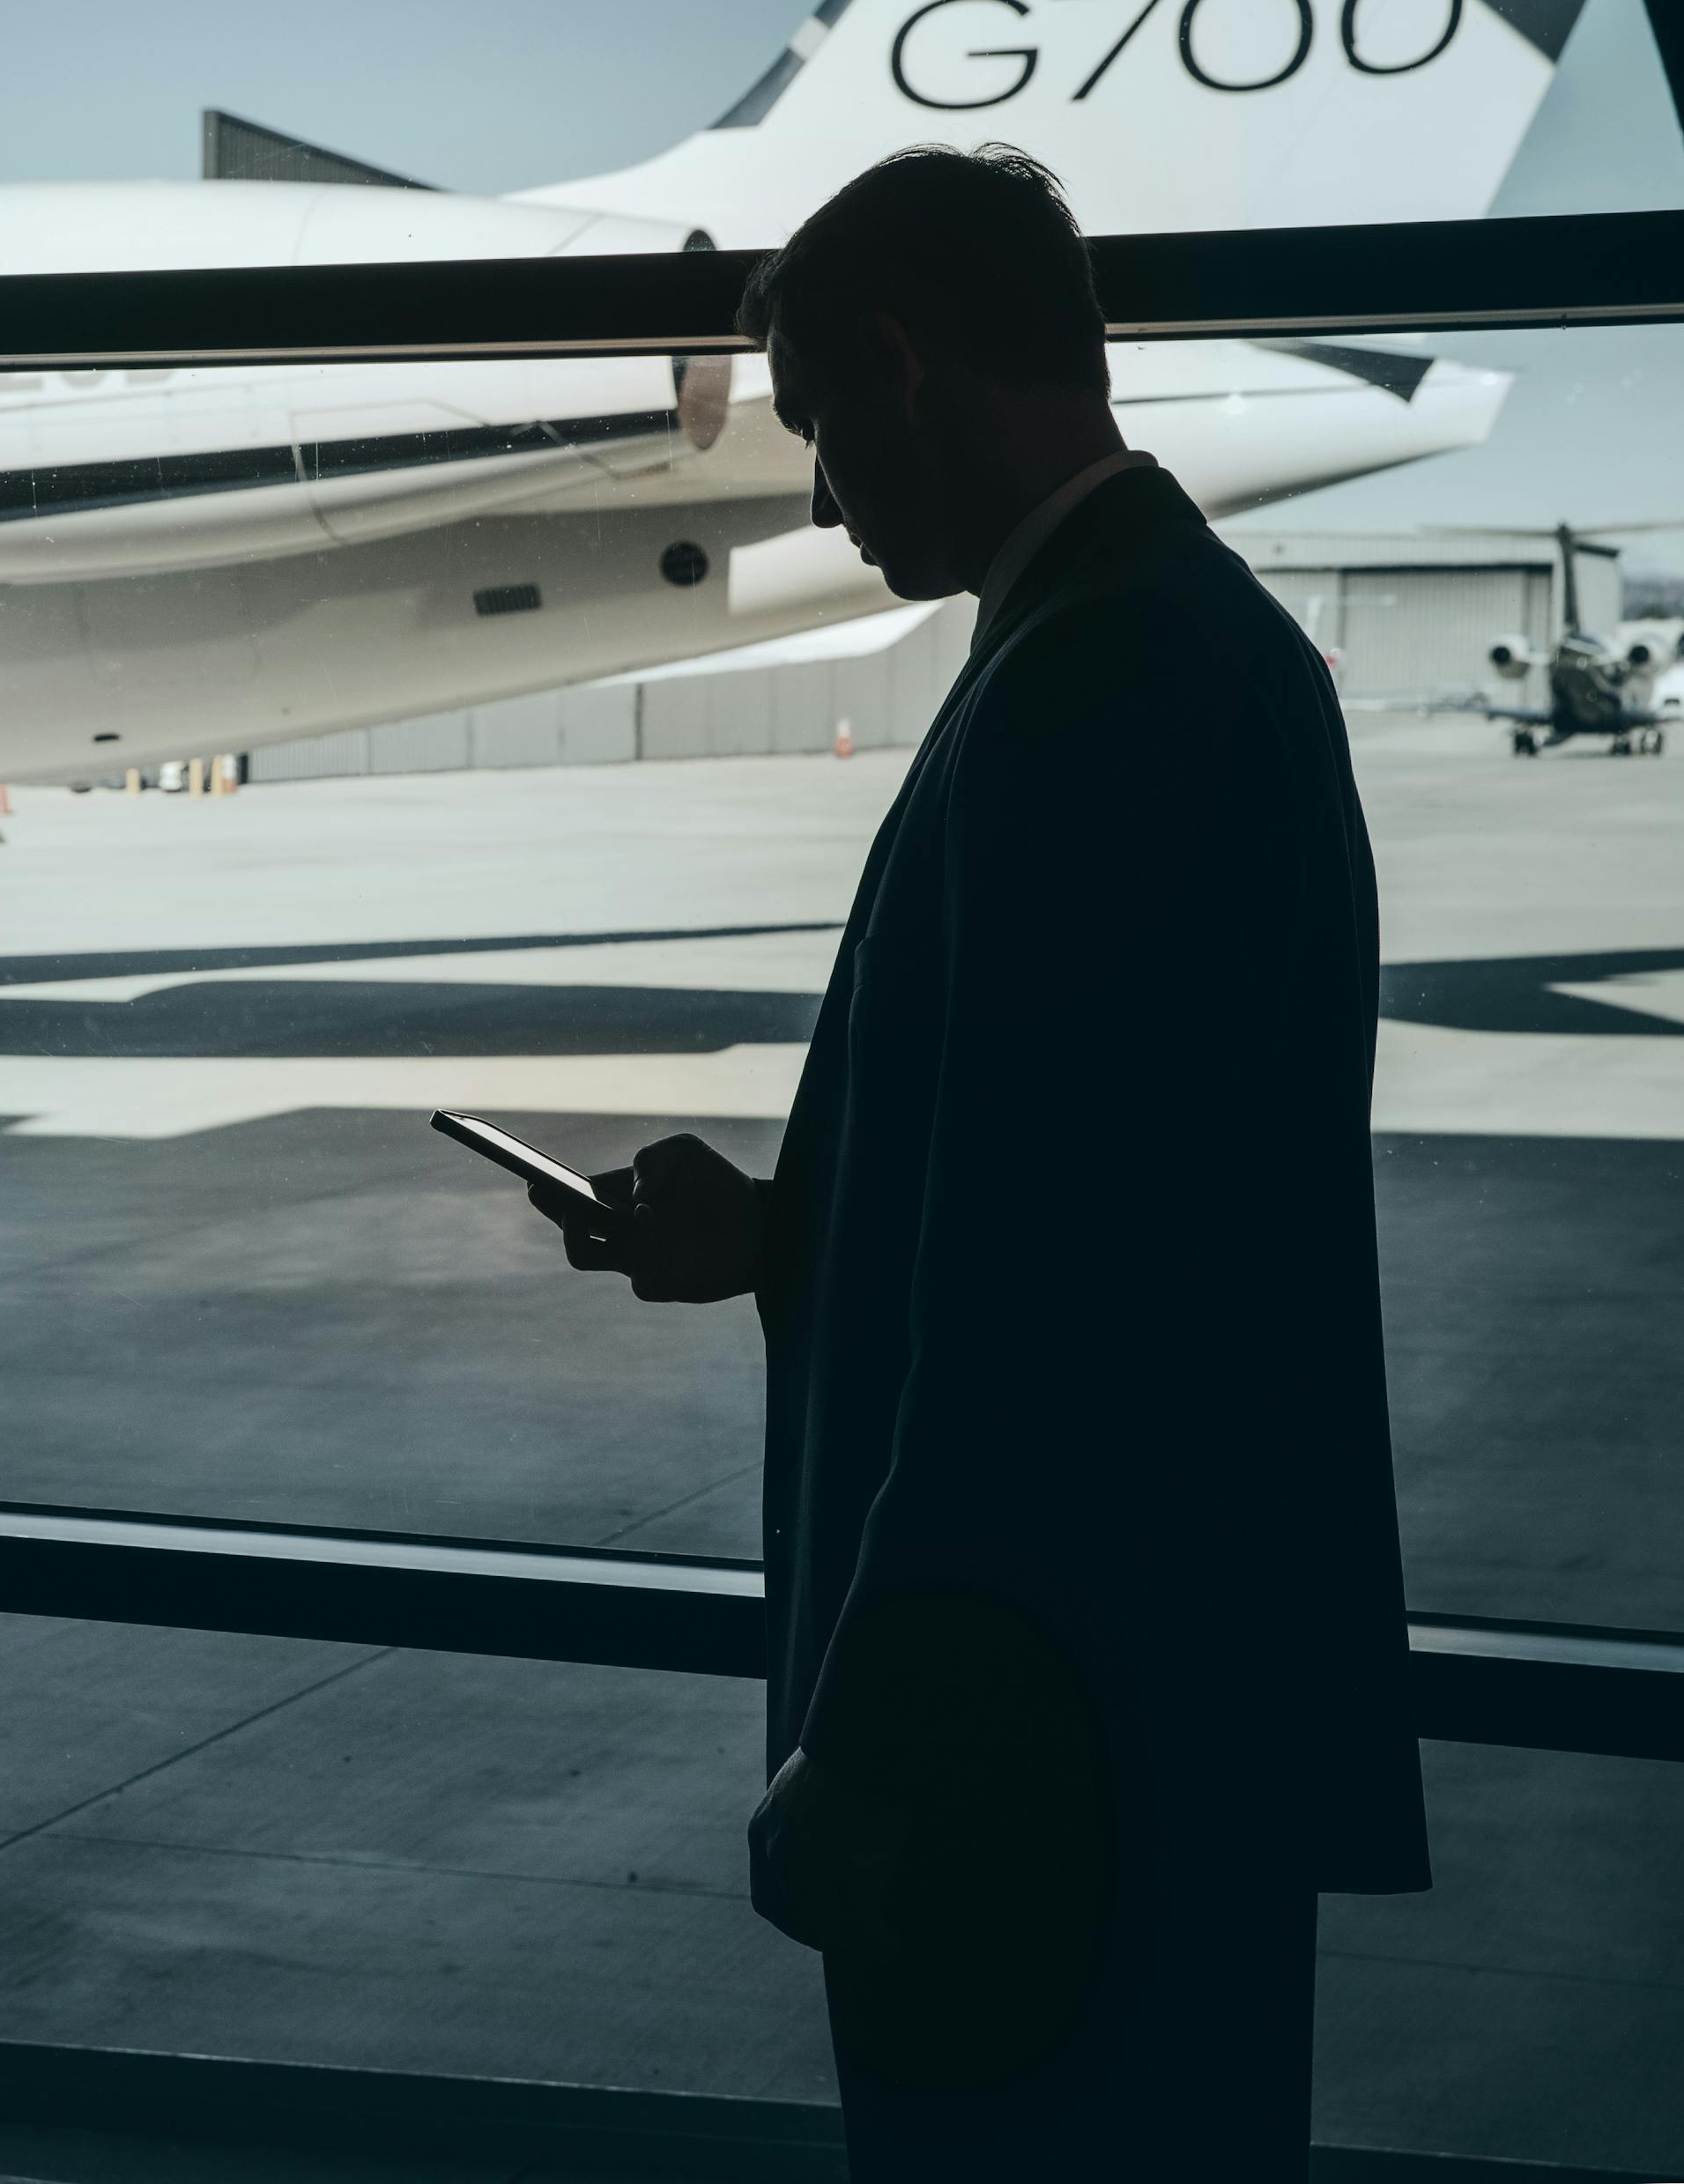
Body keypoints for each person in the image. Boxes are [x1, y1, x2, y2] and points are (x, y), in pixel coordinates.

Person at [536, 145, 1428, 2177]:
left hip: (1047, 1760)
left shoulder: (1106, 677)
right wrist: (785, 1233)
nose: (828, 495)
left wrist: (882, 1747)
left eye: (825, 429)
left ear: (902, 364)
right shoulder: (1143, 643)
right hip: (1122, 1722)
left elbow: (1058, 1317)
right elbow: (1090, 1191)